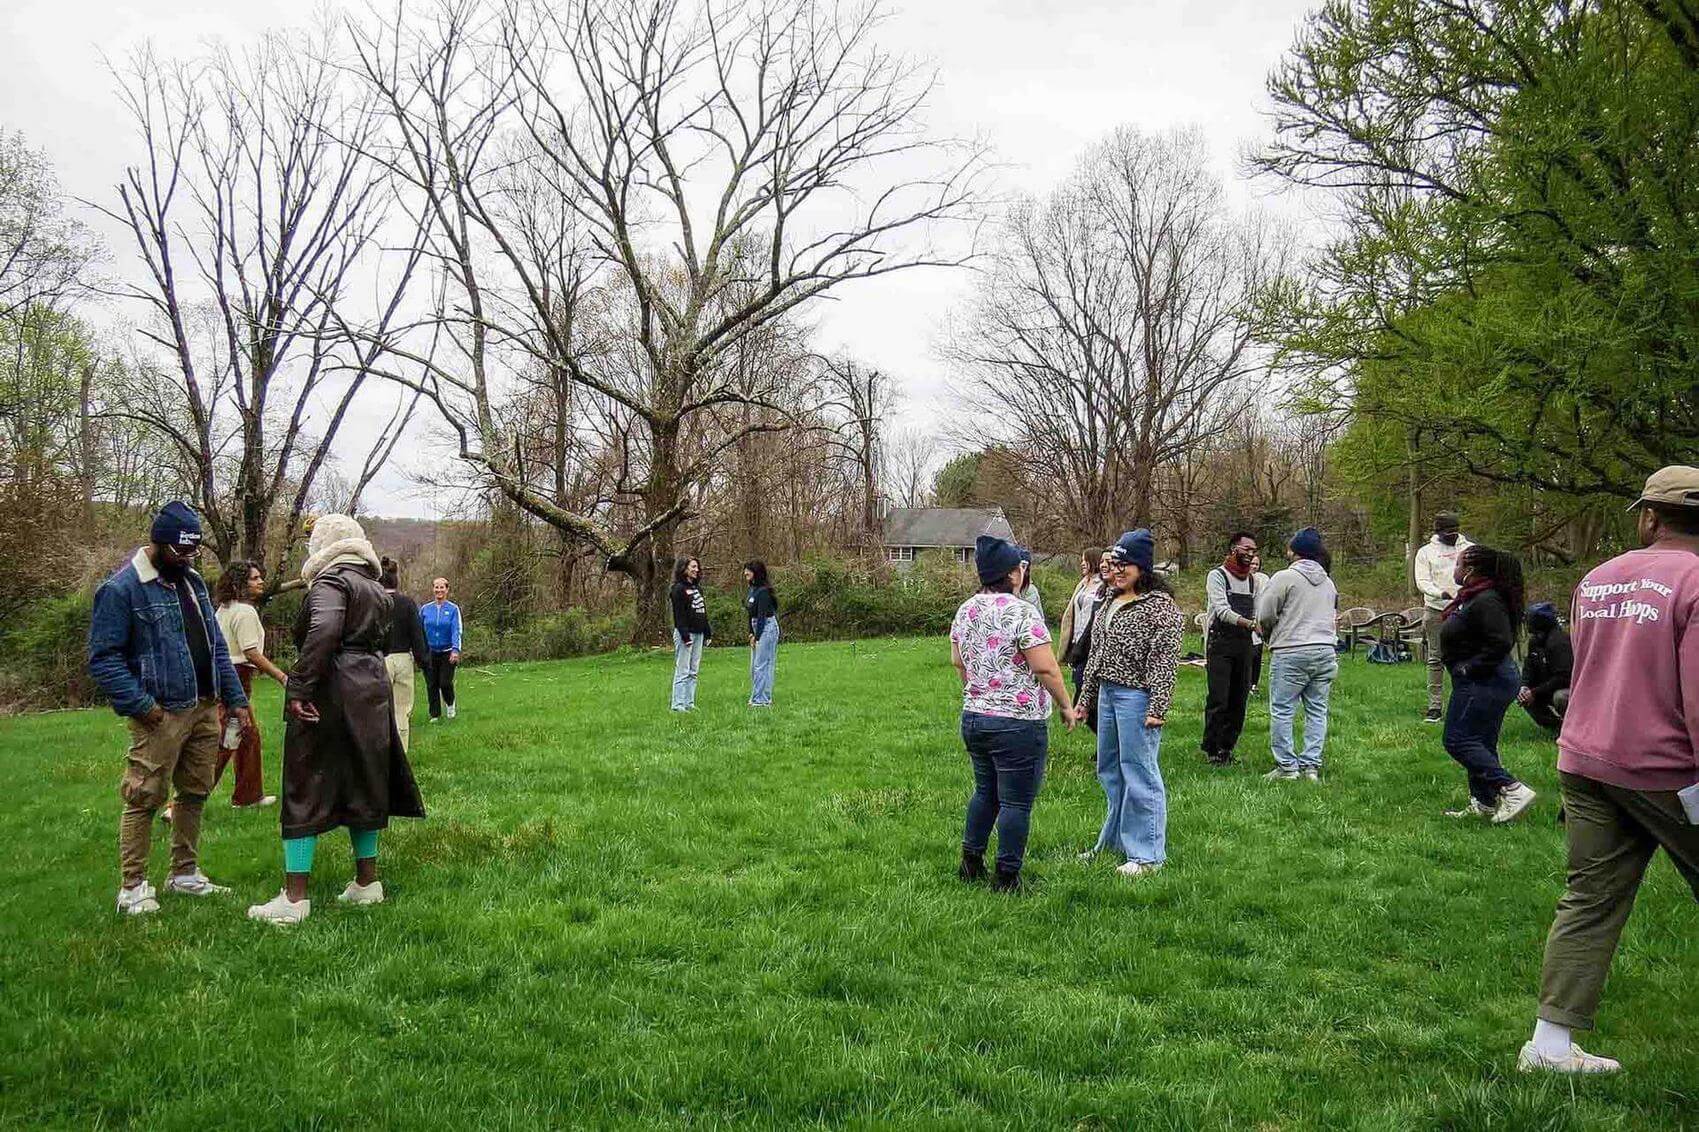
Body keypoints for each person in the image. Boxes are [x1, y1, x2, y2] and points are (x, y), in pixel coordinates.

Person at [1521, 465, 1699, 1075]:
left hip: (1585, 758)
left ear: (1650, 517)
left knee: (1590, 897)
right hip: (1666, 769)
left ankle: (1549, 1044)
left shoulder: (1597, 579)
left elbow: (1587, 668)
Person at [248, 514, 426, 925]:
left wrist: (300, 688)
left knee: (304, 780)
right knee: (366, 777)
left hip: (332, 687)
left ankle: (294, 899)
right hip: (370, 684)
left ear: (322, 548)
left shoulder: (331, 581)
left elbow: (324, 630)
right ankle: (367, 884)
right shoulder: (375, 587)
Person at [87, 501, 252, 916]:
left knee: (195, 792)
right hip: (160, 711)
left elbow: (215, 645)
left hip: (204, 705)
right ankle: (133, 887)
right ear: (158, 544)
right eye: (180, 552)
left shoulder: (192, 582)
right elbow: (104, 658)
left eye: (193, 552)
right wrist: (144, 707)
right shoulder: (121, 589)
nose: (187, 559)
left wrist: (235, 699)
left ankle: (184, 874)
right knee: (144, 796)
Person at [950, 534, 1077, 891]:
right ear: (1012, 574)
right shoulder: (1023, 611)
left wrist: (978, 689)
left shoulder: (966, 609)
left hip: (975, 717)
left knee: (985, 792)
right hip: (1018, 724)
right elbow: (1047, 669)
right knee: (1016, 802)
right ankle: (1006, 877)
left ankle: (970, 864)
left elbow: (958, 661)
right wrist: (1065, 705)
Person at [1076, 529, 1183, 878]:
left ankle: (1148, 856)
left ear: (1144, 567)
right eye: (1116, 563)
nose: (1119, 570)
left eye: (1127, 564)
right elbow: (1096, 653)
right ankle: (1113, 843)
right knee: (1110, 771)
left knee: (1140, 773)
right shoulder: (1110, 597)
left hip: (1137, 697)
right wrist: (1085, 698)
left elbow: (1164, 662)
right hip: (1107, 693)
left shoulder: (1161, 608)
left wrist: (1157, 708)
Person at [1439, 545, 1538, 823]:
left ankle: (1511, 788)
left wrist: (1469, 668)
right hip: (1487, 678)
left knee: (1458, 740)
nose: (1454, 569)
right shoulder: (1476, 597)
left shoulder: (1486, 599)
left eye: (1457, 564)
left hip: (1485, 680)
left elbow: (1501, 641)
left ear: (1469, 570)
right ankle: (1484, 801)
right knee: (1481, 741)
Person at [1256, 527, 1340, 782]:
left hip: (1292, 650)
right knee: (1317, 710)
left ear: (1294, 552)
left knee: (1282, 709)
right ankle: (1311, 766)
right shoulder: (1328, 582)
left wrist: (1269, 635)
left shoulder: (1284, 577)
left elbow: (1265, 614)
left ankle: (1287, 767)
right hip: (1325, 651)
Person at [211, 559, 282, 809]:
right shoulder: (245, 612)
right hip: (236, 678)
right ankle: (180, 804)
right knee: (227, 741)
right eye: (254, 578)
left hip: (223, 676)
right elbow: (251, 652)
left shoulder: (224, 609)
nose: (260, 581)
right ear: (240, 583)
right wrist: (281, 676)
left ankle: (249, 796)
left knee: (248, 738)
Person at [1202, 532, 1262, 767]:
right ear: (1233, 549)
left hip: (1244, 645)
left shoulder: (1253, 581)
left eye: (1254, 550)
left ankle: (1227, 748)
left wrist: (1259, 624)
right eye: (1246, 549)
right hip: (1220, 644)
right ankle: (1212, 748)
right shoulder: (1217, 576)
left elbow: (1257, 609)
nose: (1250, 554)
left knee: (1239, 698)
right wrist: (1250, 624)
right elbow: (1222, 610)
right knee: (1219, 698)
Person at [1415, 512, 1474, 723]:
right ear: (1438, 532)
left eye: (1455, 531)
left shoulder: (1469, 549)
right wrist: (1440, 593)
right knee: (1435, 658)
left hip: (1465, 609)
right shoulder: (1425, 553)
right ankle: (1435, 706)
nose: (1452, 535)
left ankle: (1466, 702)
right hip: (1436, 610)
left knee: (1466, 656)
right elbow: (1422, 581)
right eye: (1447, 532)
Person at [380, 558, 430, 751]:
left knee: (378, 710)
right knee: (402, 711)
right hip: (402, 658)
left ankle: (379, 753)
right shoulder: (407, 604)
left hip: (378, 659)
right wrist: (424, 662)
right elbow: (417, 635)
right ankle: (401, 754)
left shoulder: (372, 603)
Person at [1057, 548, 1106, 699]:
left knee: (1083, 685)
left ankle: (1082, 715)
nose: (1082, 563)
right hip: (1076, 640)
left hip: (1090, 642)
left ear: (1094, 561)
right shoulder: (1083, 583)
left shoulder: (1103, 584)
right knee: (1078, 681)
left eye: (1085, 560)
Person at [1518, 602, 1572, 734]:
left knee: (1560, 697)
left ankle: (1572, 729)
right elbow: (1529, 666)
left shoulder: (1559, 642)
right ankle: (1557, 728)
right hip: (1547, 688)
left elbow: (1564, 677)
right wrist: (1524, 687)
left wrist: (1535, 692)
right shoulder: (1535, 641)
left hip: (1567, 689)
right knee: (1523, 697)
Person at [670, 556, 710, 711]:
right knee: (683, 670)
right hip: (685, 634)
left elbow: (702, 612)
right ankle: (677, 705)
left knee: (693, 671)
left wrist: (707, 632)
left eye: (697, 567)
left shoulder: (697, 588)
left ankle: (689, 703)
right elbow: (679, 616)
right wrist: (685, 636)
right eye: (693, 566)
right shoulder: (678, 589)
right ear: (684, 568)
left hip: (699, 634)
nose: (696, 570)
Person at [419, 576, 462, 722]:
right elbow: (419, 631)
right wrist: (418, 650)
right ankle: (435, 714)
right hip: (430, 652)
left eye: (442, 587)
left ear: (447, 589)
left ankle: (450, 705)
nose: (439, 590)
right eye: (436, 587)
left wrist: (455, 650)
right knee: (432, 684)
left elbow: (456, 630)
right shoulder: (425, 609)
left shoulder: (453, 609)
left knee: (444, 683)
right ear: (433, 589)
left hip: (447, 652)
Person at [744, 560, 780, 707]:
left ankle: (761, 700)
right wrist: (751, 633)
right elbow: (750, 612)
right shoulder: (753, 590)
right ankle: (761, 697)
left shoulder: (763, 592)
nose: (745, 573)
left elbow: (762, 616)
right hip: (757, 628)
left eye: (748, 570)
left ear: (756, 573)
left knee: (762, 665)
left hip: (767, 628)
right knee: (755, 666)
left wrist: (758, 637)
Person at [1249, 552, 1270, 697]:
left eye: (1256, 564)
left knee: (1257, 654)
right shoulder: (1239, 579)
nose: (1254, 566)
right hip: (1245, 620)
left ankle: (1254, 684)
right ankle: (1245, 684)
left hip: (1259, 618)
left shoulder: (1263, 579)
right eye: (1252, 563)